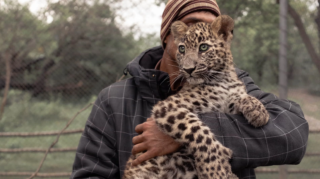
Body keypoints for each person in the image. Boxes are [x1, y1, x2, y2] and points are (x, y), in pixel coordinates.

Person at [70, 0, 309, 178]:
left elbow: (293, 133)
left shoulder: (238, 84)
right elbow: (90, 173)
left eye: (205, 36)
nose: (196, 36)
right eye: (189, 28)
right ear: (168, 37)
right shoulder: (115, 99)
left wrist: (188, 136)